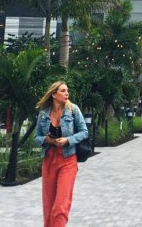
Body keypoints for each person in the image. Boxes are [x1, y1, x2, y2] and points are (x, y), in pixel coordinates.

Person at [34, 81, 88, 227]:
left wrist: (68, 140)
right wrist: (46, 139)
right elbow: (36, 137)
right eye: (63, 91)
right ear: (54, 94)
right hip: (49, 160)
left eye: (67, 91)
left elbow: (84, 132)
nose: (67, 93)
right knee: (49, 205)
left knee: (60, 206)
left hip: (68, 159)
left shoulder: (73, 110)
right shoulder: (44, 113)